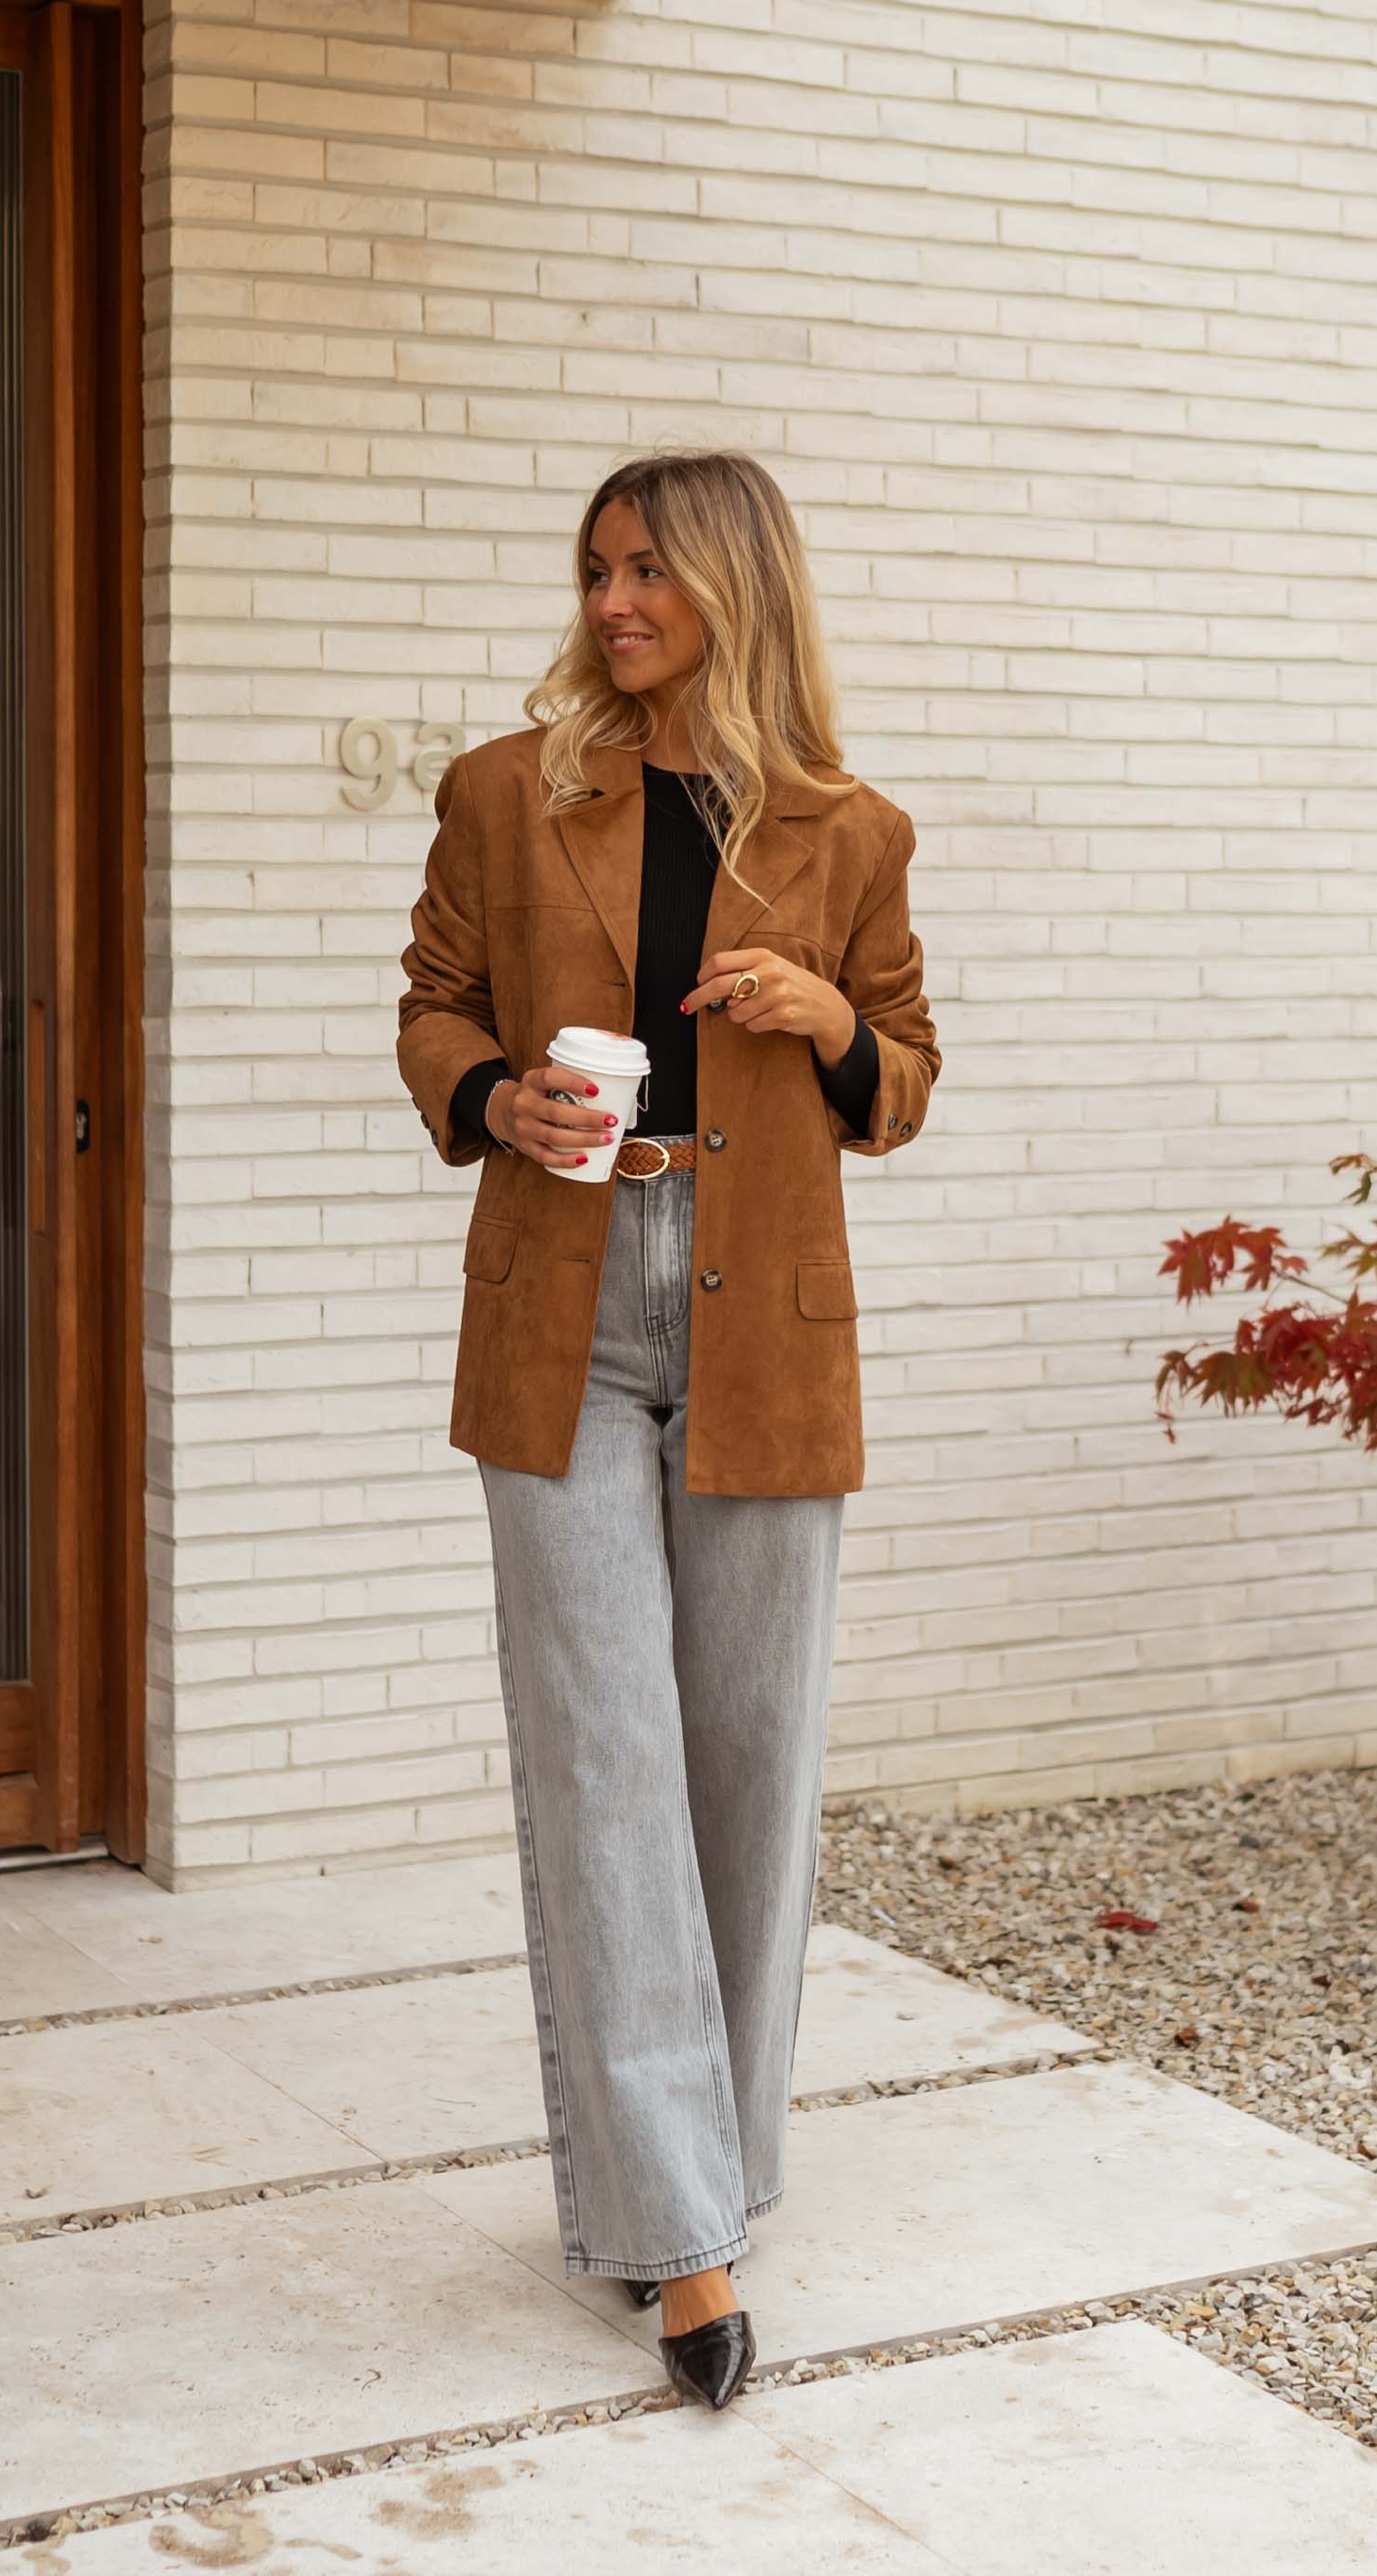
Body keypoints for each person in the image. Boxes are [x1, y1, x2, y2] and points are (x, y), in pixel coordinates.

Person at [395, 448, 938, 2410]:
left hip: (763, 1311)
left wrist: (818, 1009)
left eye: (647, 569)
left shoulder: (848, 829)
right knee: (603, 1753)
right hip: (564, 1299)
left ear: (731, 583)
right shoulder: (502, 789)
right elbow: (431, 1009)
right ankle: (684, 2241)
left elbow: (904, 1083)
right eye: (594, 568)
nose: (611, 600)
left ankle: (715, 2166)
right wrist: (492, 1105)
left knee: (744, 1767)